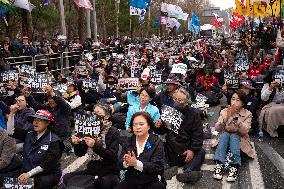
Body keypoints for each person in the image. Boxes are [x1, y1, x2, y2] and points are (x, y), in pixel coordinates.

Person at [63, 104, 120, 189]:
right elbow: (80, 154)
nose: (95, 116)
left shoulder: (114, 132)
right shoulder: (88, 128)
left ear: (107, 116)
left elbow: (112, 157)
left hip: (109, 171)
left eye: (98, 113)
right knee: (67, 177)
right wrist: (77, 143)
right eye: (94, 114)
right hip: (92, 169)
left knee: (102, 183)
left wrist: (95, 145)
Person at [154, 88, 205, 183]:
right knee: (159, 145)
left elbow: (198, 135)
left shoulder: (194, 114)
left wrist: (192, 150)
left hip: (186, 149)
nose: (177, 102)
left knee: (200, 151)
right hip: (172, 148)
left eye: (180, 100)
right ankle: (167, 169)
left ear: (186, 101)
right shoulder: (169, 112)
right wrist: (158, 126)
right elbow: (161, 131)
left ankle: (188, 172)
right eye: (175, 99)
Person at [213, 90, 255, 182]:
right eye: (233, 99)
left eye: (238, 100)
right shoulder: (224, 111)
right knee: (225, 135)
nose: (234, 102)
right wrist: (225, 119)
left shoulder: (248, 114)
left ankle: (234, 166)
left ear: (243, 103)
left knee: (234, 136)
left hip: (240, 144)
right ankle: (219, 164)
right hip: (225, 144)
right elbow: (217, 128)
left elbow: (245, 131)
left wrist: (236, 120)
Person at [116, 112, 165, 189]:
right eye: (134, 125)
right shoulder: (128, 141)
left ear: (149, 126)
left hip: (150, 181)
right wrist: (126, 162)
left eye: (141, 124)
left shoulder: (157, 142)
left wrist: (136, 163)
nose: (137, 127)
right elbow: (119, 164)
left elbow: (158, 167)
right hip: (131, 181)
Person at [18, 109, 64, 189]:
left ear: (47, 123)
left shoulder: (54, 141)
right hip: (28, 171)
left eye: (39, 120)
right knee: (12, 182)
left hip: (48, 174)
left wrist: (29, 174)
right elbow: (10, 131)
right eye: (34, 120)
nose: (35, 122)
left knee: (32, 185)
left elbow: (46, 164)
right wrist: (11, 114)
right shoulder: (29, 133)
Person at [259, 71, 284, 137]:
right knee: (274, 110)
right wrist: (270, 88)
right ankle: (272, 130)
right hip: (271, 105)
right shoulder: (267, 85)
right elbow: (263, 98)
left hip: (282, 104)